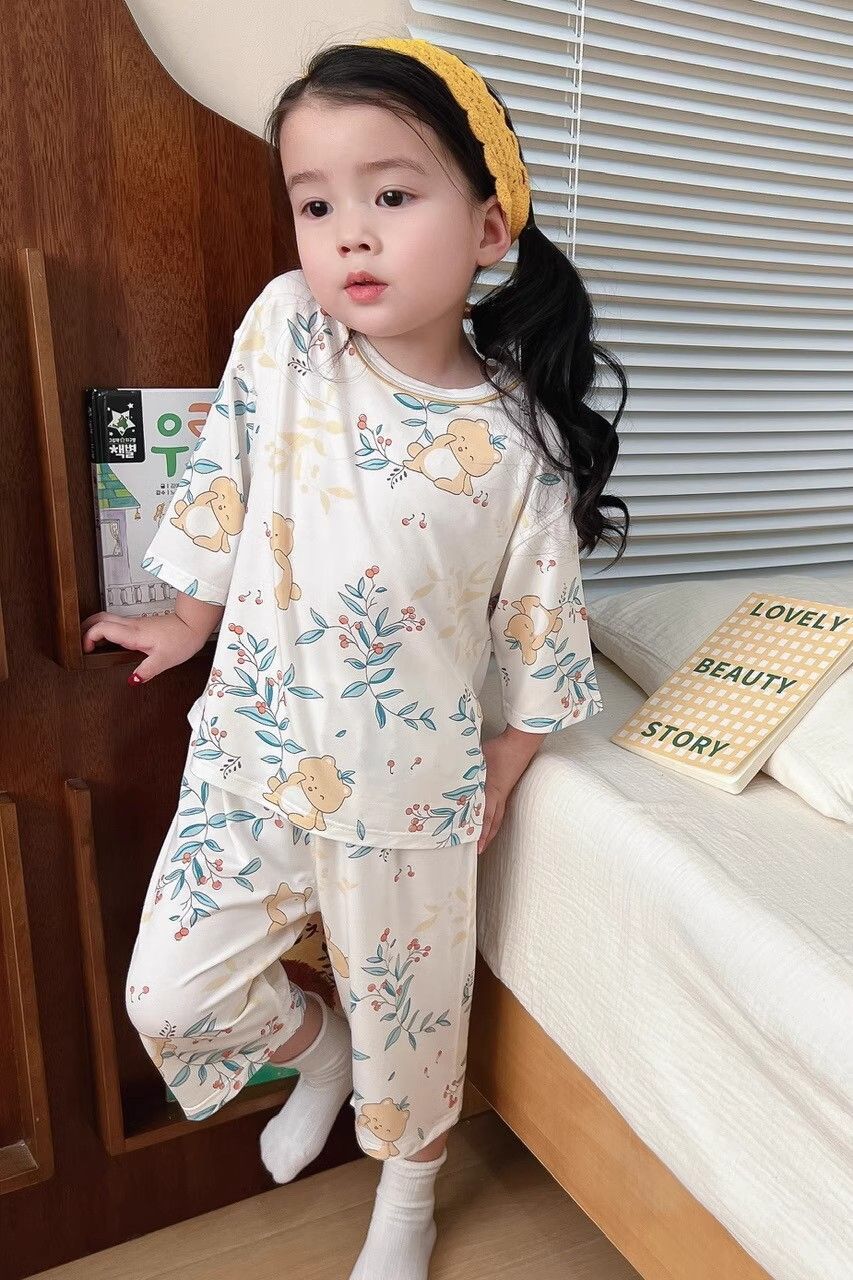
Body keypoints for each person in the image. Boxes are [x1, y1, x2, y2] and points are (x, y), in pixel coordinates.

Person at [82, 36, 629, 1280]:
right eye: (316, 204)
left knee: (412, 1026)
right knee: (171, 993)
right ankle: (316, 1052)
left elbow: (539, 627)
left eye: (390, 193)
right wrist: (187, 618)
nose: (350, 235)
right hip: (250, 749)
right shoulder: (289, 328)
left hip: (406, 787)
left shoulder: (519, 445)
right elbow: (225, 469)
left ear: (488, 227)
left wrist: (508, 762)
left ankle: (409, 1191)